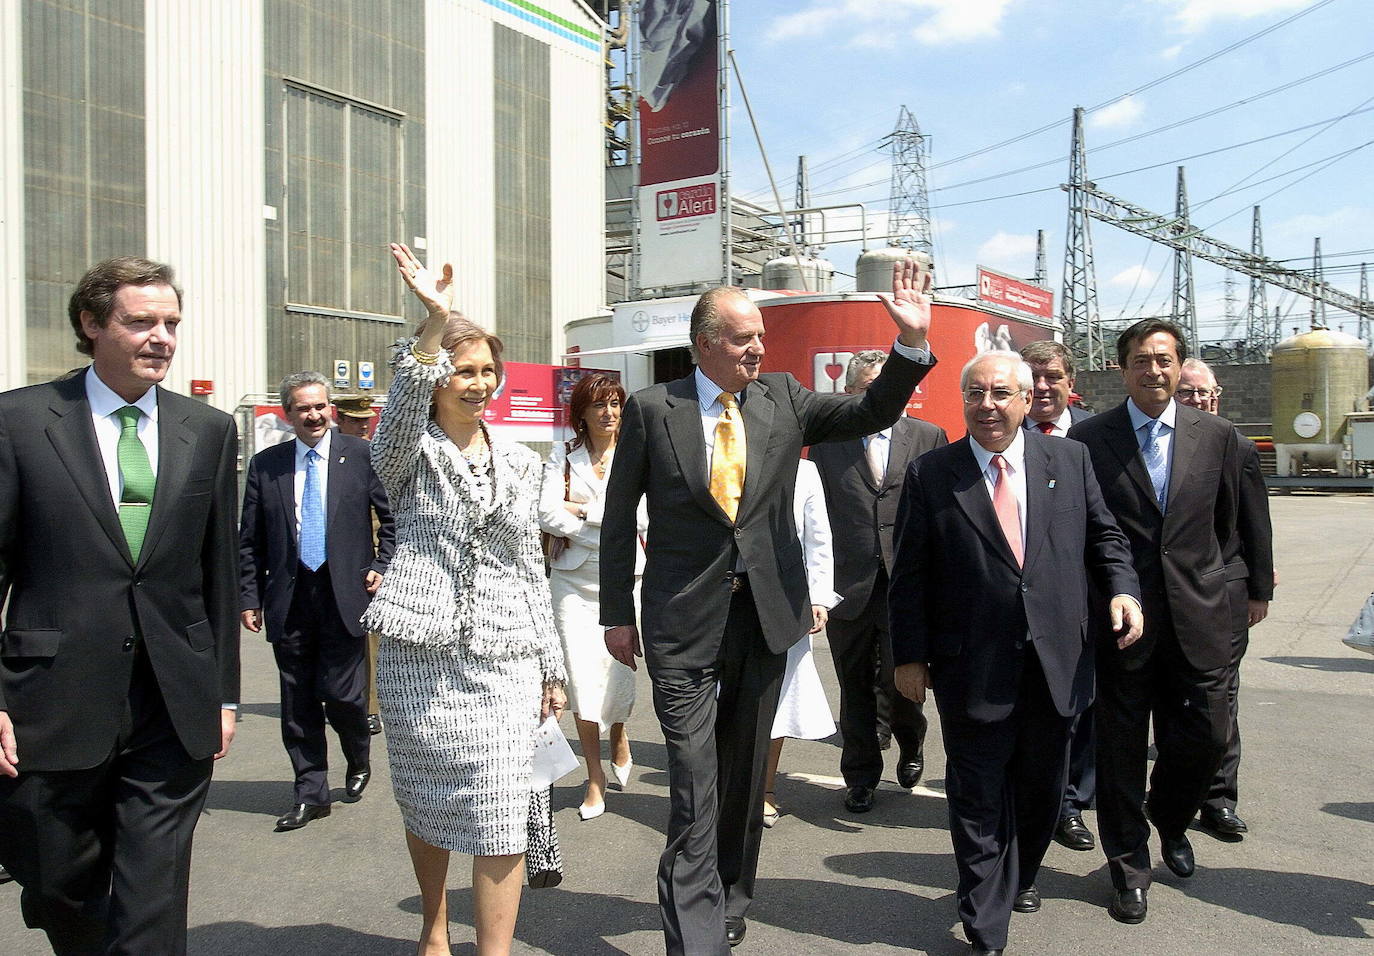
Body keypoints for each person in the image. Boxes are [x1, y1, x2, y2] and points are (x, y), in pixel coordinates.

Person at [601, 260, 937, 953]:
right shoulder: (652, 410)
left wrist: (909, 346)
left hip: (763, 617)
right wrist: (614, 613)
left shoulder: (783, 398)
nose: (758, 347)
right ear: (703, 344)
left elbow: (872, 411)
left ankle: (729, 894)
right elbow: (616, 517)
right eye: (742, 337)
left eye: (760, 335)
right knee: (694, 786)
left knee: (746, 771)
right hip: (680, 624)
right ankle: (695, 937)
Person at [0, 256, 240, 954]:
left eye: (170, 323)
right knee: (57, 884)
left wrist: (224, 693)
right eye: (141, 322)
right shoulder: (20, 422)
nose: (161, 337)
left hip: (173, 701)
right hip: (52, 700)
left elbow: (216, 573)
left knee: (152, 902)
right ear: (91, 323)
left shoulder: (208, 429)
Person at [889, 351, 1141, 956]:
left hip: (1056, 661)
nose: (988, 406)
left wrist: (1124, 590)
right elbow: (911, 574)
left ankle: (1018, 874)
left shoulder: (1070, 459)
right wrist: (908, 655)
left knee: (1038, 789)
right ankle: (985, 918)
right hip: (969, 664)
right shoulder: (933, 473)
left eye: (1001, 393)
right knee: (975, 793)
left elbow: (1104, 535)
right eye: (975, 394)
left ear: (1028, 401)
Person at [362, 243, 568, 955]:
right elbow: (404, 397)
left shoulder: (520, 462)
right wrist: (436, 318)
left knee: (501, 803)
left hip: (506, 656)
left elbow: (529, 568)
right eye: (465, 369)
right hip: (420, 653)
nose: (479, 383)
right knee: (428, 793)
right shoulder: (403, 451)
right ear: (440, 375)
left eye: (488, 371)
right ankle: (432, 926)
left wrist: (551, 667)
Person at [1069, 319, 1250, 925]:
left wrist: (1224, 592)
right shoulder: (1091, 439)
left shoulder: (1218, 435)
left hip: (1199, 615)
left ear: (1180, 366)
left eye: (1165, 359)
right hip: (1124, 620)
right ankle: (1129, 868)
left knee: (1205, 735)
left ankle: (1170, 819)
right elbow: (1086, 531)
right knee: (1120, 751)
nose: (1155, 371)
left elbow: (1227, 529)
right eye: (1142, 360)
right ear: (1123, 369)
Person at [239, 371, 395, 831]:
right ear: (287, 414)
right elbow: (250, 540)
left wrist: (382, 566)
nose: (313, 415)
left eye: (319, 406)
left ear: (330, 409)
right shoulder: (267, 466)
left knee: (343, 695)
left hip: (345, 594)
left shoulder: (361, 455)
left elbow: (393, 521)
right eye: (302, 408)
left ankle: (357, 754)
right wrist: (249, 595)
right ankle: (311, 791)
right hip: (290, 597)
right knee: (298, 700)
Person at [810, 350, 947, 813]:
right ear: (851, 394)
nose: (883, 398)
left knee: (902, 680)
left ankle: (911, 743)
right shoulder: (827, 444)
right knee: (853, 685)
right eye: (870, 389)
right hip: (847, 586)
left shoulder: (929, 438)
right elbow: (815, 518)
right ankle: (861, 776)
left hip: (907, 587)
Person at [539, 372, 645, 821]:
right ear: (582, 411)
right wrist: (600, 523)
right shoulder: (562, 457)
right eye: (600, 405)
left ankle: (618, 732)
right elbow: (545, 512)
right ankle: (594, 778)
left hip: (626, 579)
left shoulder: (638, 455)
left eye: (616, 405)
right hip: (572, 584)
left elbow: (642, 517)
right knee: (580, 679)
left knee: (618, 675)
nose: (609, 414)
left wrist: (581, 510)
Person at [1176, 358, 1274, 839]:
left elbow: (1256, 522)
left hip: (1226, 592)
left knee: (1221, 702)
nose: (1198, 401)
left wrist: (1258, 591)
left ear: (1219, 395)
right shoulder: (1159, 449)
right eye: (1187, 394)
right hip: (1171, 596)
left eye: (1204, 393)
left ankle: (1218, 799)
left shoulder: (1235, 444)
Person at [1019, 340, 1097, 853]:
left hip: (1084, 603)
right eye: (1034, 378)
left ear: (1072, 384)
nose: (1044, 388)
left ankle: (1070, 805)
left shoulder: (1097, 437)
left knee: (1081, 709)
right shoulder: (997, 431)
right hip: (1020, 609)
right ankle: (1029, 802)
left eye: (1053, 377)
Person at [761, 457, 840, 826]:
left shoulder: (805, 470)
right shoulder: (723, 454)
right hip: (725, 599)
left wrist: (819, 596)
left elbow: (818, 537)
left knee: (779, 697)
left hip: (786, 603)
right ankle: (725, 789)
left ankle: (765, 788)